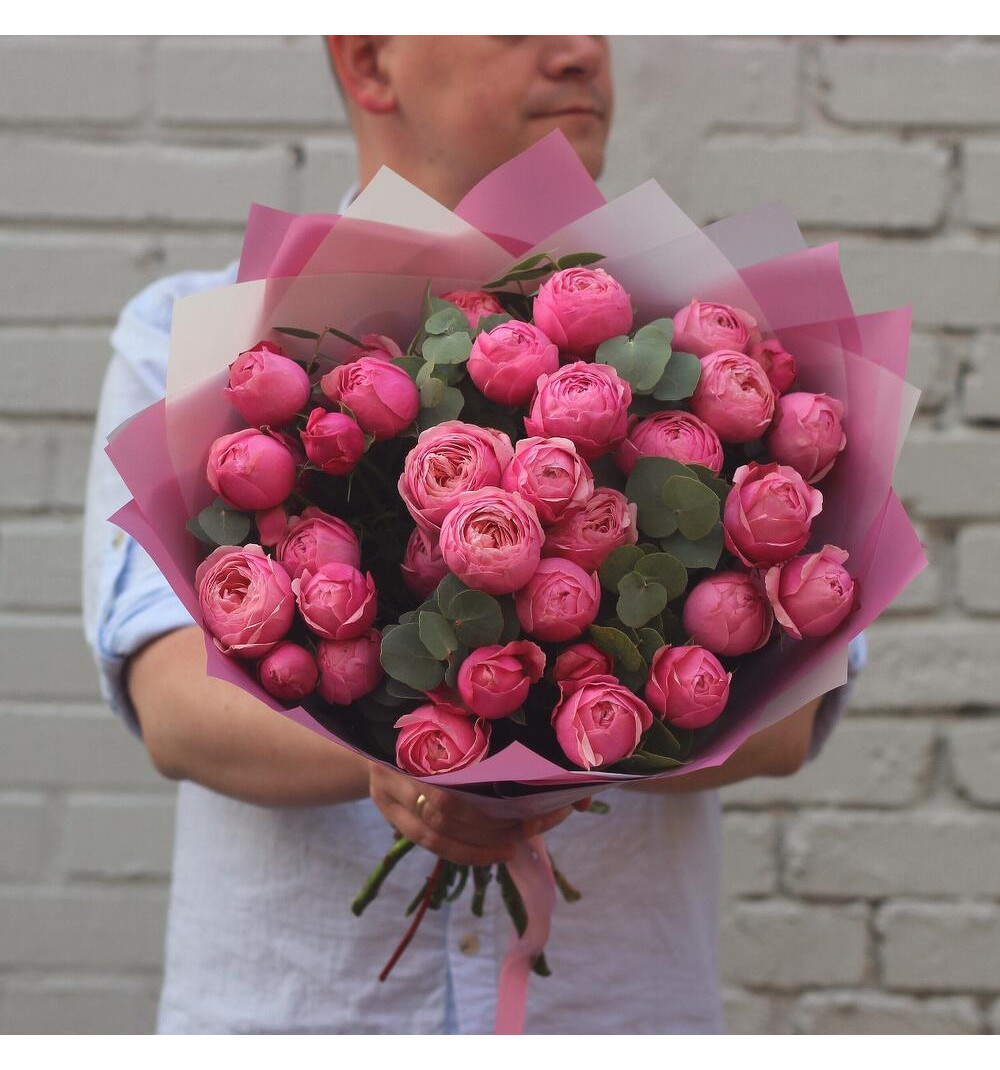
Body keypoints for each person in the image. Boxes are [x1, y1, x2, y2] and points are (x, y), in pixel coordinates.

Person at [83, 36, 865, 1034]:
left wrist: (549, 741)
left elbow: (789, 717)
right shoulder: (194, 335)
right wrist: (413, 765)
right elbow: (176, 703)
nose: (581, 49)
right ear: (371, 61)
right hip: (304, 1016)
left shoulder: (704, 340)